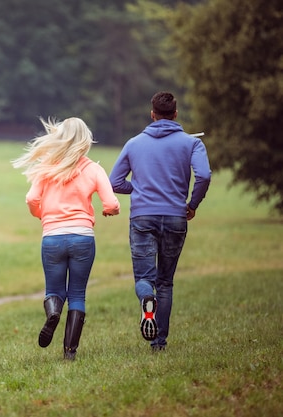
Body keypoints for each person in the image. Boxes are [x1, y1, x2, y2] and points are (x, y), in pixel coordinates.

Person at [109, 91, 211, 351]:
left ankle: (146, 299)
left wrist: (139, 189)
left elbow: (114, 183)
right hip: (176, 217)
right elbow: (204, 176)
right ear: (175, 114)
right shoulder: (191, 143)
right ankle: (159, 342)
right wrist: (192, 204)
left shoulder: (134, 143)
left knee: (145, 277)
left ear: (152, 114)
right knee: (165, 281)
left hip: (142, 217)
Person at [12, 117, 120, 360]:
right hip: (82, 237)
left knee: (54, 289)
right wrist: (109, 211)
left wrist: (43, 216)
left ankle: (53, 314)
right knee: (78, 294)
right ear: (85, 140)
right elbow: (112, 203)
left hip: (52, 237)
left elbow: (31, 199)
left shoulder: (47, 167)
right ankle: (70, 352)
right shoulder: (94, 168)